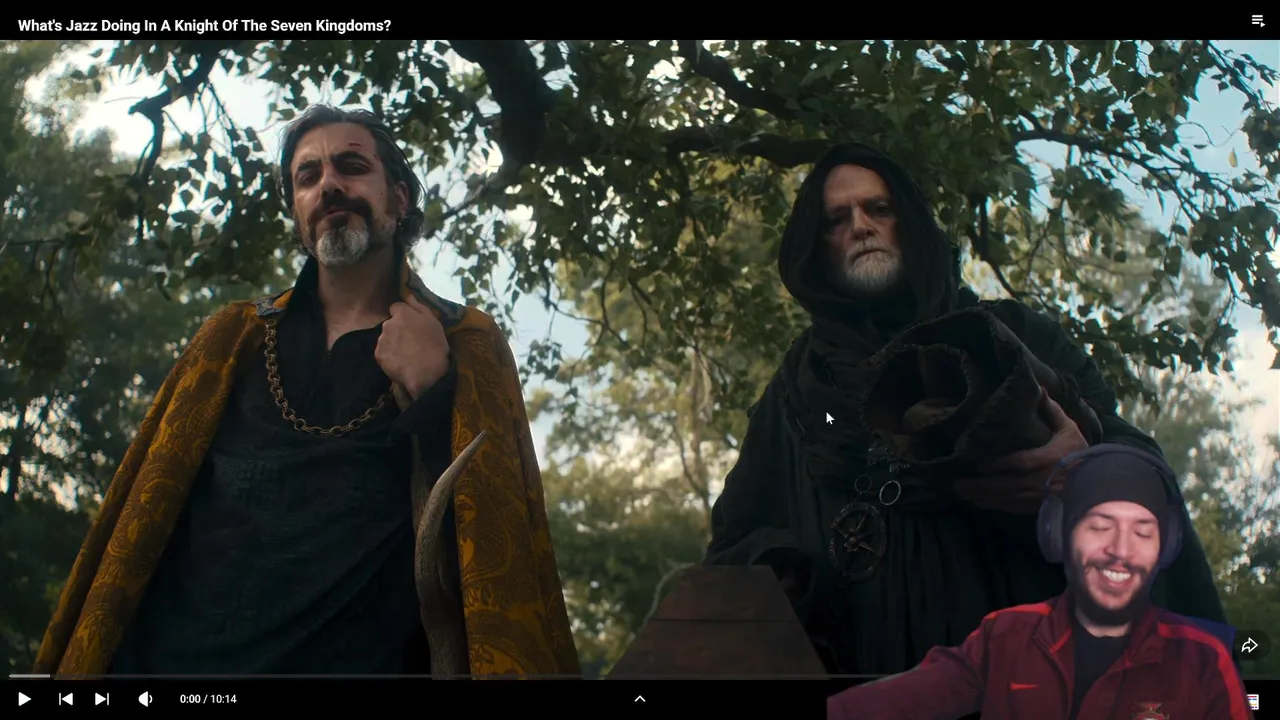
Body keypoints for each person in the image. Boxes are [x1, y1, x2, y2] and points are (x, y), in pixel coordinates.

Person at [33, 105, 580, 677]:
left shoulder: (464, 341)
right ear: (297, 212)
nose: (329, 185)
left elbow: (493, 542)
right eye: (308, 176)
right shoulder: (232, 338)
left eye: (351, 167)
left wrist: (433, 390)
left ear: (399, 199)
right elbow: (144, 515)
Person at [705, 142, 1224, 675]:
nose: (860, 227)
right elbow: (735, 539)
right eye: (836, 220)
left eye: (879, 209)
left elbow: (1137, 460)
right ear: (817, 248)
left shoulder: (1015, 336)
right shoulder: (796, 391)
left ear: (911, 224)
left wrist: (1086, 475)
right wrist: (780, 571)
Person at [826, 444, 1253, 720]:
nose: (1121, 550)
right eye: (1100, 527)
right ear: (1060, 535)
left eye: (1143, 533)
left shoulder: (1204, 660)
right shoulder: (1003, 638)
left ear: (1166, 547)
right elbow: (882, 705)